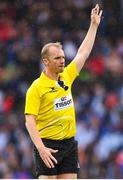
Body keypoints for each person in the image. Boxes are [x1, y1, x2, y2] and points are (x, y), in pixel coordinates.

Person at [24, 4, 102, 179]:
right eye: (57, 58)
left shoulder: (66, 75)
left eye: (63, 58)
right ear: (46, 61)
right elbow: (30, 122)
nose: (62, 61)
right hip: (48, 145)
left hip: (69, 144)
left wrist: (94, 25)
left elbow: (83, 53)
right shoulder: (36, 88)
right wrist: (41, 148)